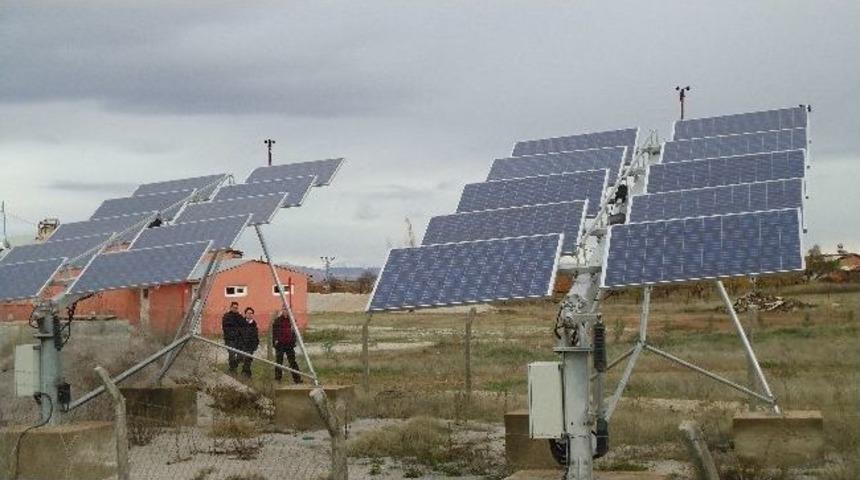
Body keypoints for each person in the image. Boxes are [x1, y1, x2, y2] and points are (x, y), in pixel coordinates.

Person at [271, 308, 303, 383]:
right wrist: (275, 341)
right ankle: (277, 379)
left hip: (289, 344)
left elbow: (294, 332)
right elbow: (274, 332)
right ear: (282, 311)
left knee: (292, 362)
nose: (285, 312)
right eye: (284, 310)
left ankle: (297, 379)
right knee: (279, 362)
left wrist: (293, 341)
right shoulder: (277, 320)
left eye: (287, 310)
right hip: (280, 344)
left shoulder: (292, 320)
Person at [221, 302, 244, 374]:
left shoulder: (239, 316)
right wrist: (233, 333)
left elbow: (243, 326)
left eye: (236, 308)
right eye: (234, 307)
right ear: (231, 307)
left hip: (239, 339)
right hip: (230, 339)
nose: (235, 309)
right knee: (232, 355)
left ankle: (234, 366)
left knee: (241, 356)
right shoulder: (226, 316)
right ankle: (233, 370)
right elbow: (226, 328)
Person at [237, 307, 260, 378]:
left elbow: (256, 336)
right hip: (242, 344)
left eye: (251, 313)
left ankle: (245, 374)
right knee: (243, 359)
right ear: (245, 314)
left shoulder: (254, 324)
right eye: (248, 313)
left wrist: (255, 344)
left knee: (248, 359)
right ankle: (247, 374)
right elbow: (238, 334)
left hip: (250, 345)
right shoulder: (241, 323)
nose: (250, 315)